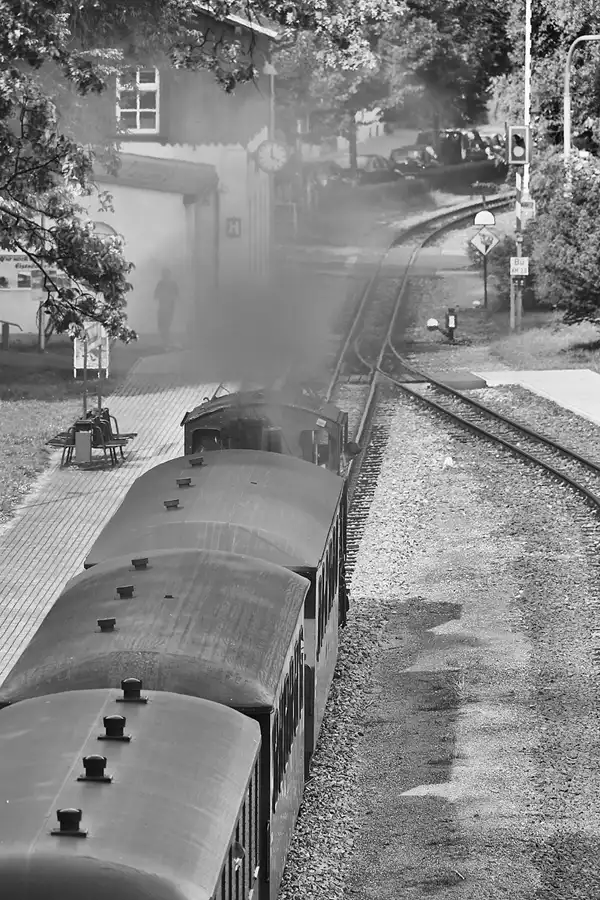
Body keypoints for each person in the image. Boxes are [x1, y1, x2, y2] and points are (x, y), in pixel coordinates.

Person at [154, 268, 179, 350]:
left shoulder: (168, 284)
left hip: (168, 307)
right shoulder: (162, 284)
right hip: (165, 306)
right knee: (163, 324)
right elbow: (156, 295)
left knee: (165, 323)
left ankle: (166, 340)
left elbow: (176, 294)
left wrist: (166, 297)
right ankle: (165, 340)